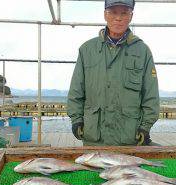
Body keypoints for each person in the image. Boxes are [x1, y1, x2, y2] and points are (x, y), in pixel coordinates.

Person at [67, 0, 159, 146]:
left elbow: (151, 95)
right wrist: (77, 120)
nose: (118, 18)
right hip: (94, 138)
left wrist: (145, 126)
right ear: (105, 15)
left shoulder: (143, 51)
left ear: (131, 16)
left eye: (124, 13)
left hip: (128, 137)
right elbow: (76, 91)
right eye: (113, 12)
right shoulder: (87, 50)